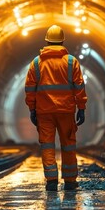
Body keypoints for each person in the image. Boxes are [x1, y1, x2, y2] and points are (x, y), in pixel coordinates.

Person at [24, 25, 87, 191]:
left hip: (44, 112)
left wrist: (32, 109)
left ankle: (51, 181)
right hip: (66, 111)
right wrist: (81, 108)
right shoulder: (72, 62)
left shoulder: (36, 63)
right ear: (63, 41)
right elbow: (79, 86)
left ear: (46, 41)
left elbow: (30, 88)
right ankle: (70, 181)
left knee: (47, 145)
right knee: (68, 145)